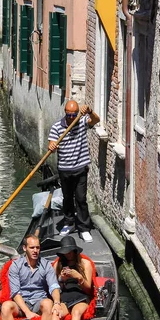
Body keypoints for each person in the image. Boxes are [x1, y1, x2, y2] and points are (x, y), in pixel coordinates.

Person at [48, 100, 100, 243]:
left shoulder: (81, 122)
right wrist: (52, 146)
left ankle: (84, 228)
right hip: (64, 169)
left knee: (81, 199)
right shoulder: (57, 127)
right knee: (67, 198)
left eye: (74, 114)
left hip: (81, 167)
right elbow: (51, 145)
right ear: (65, 113)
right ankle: (69, 223)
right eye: (69, 115)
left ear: (78, 113)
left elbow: (96, 120)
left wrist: (89, 110)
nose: (72, 117)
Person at [0, 234, 62, 320]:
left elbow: (54, 286)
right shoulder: (15, 266)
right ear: (24, 248)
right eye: (32, 248)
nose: (35, 251)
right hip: (21, 303)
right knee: (6, 306)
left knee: (48, 303)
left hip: (39, 301)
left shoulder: (46, 265)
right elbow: (15, 293)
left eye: (37, 248)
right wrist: (27, 312)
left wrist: (57, 302)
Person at [53, 236, 94, 320]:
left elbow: (88, 289)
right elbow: (54, 288)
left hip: (81, 297)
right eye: (66, 252)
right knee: (56, 313)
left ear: (75, 251)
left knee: (76, 313)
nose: (68, 254)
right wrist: (61, 279)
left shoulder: (85, 264)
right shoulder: (57, 265)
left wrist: (79, 277)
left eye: (70, 251)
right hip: (64, 298)